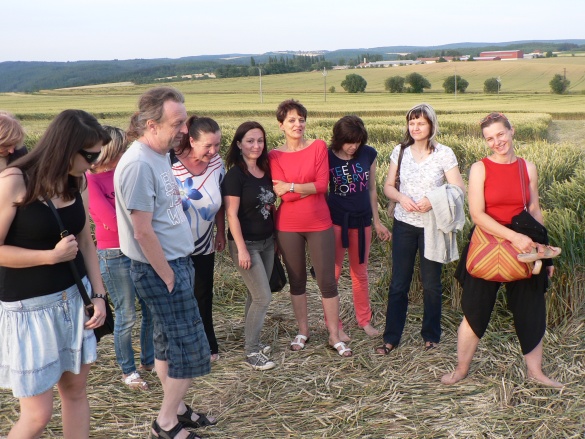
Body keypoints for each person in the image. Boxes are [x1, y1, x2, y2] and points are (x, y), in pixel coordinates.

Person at [0, 109, 110, 438]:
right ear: (66, 147)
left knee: (75, 392)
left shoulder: (77, 180)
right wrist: (50, 257)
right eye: (90, 156)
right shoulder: (15, 181)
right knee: (38, 415)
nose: (94, 163)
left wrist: (99, 295)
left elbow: (86, 241)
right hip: (29, 309)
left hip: (75, 299)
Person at [114, 87, 216, 439]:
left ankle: (178, 408)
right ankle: (166, 422)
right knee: (190, 349)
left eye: (184, 122)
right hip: (162, 269)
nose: (185, 130)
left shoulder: (157, 155)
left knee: (166, 343)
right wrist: (168, 275)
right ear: (152, 125)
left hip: (173, 264)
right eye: (178, 123)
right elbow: (142, 231)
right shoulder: (139, 164)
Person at [441, 112, 563, 388]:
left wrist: (544, 252)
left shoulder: (527, 168)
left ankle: (536, 372)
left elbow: (534, 210)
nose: (496, 142)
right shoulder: (479, 168)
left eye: (500, 134)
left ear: (512, 131)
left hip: (526, 244)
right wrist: (513, 237)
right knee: (475, 311)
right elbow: (477, 214)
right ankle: (461, 370)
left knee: (531, 309)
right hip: (487, 244)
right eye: (490, 138)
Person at [377, 103, 465, 355]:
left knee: (431, 284)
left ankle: (431, 335)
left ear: (431, 125)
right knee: (398, 283)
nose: (415, 127)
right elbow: (388, 186)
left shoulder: (444, 153)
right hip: (404, 224)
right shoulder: (400, 151)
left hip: (432, 226)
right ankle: (391, 337)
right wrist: (401, 198)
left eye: (421, 123)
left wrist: (432, 200)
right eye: (411, 122)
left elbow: (458, 189)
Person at [269, 99, 352, 357]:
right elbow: (281, 193)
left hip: (319, 223)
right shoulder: (274, 155)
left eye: (301, 119)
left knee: (327, 281)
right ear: (281, 125)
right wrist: (304, 189)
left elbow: (322, 186)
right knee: (297, 281)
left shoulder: (318, 147)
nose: (298, 124)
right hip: (288, 226)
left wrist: (292, 186)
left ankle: (334, 335)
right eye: (292, 120)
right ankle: (303, 331)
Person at [86, 126, 154, 390]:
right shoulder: (90, 180)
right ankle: (128, 370)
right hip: (114, 254)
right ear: (110, 151)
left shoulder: (123, 173)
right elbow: (111, 222)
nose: (126, 153)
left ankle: (149, 360)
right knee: (126, 314)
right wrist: (142, 222)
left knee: (149, 308)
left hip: (140, 247)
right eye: (121, 149)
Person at [327, 116, 391, 337]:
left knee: (360, 273)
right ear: (339, 139)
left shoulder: (368, 153)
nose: (353, 146)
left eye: (357, 141)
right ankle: (334, 326)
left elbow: (371, 189)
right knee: (333, 274)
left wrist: (377, 221)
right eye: (348, 142)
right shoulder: (327, 156)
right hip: (336, 222)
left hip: (362, 222)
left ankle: (364, 320)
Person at [171, 116, 225, 362]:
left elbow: (221, 199)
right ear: (192, 141)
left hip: (204, 242)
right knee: (179, 295)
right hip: (173, 245)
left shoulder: (217, 164)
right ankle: (181, 347)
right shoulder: (169, 165)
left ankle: (207, 344)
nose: (213, 151)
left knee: (203, 294)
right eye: (208, 146)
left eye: (217, 145)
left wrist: (221, 231)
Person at [223, 121, 277, 371]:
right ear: (239, 144)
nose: (256, 145)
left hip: (267, 242)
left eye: (260, 140)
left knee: (254, 295)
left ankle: (251, 339)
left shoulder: (265, 170)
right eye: (250, 141)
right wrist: (242, 249)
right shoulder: (235, 176)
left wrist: (276, 239)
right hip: (246, 245)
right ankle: (252, 351)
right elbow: (231, 215)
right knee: (263, 297)